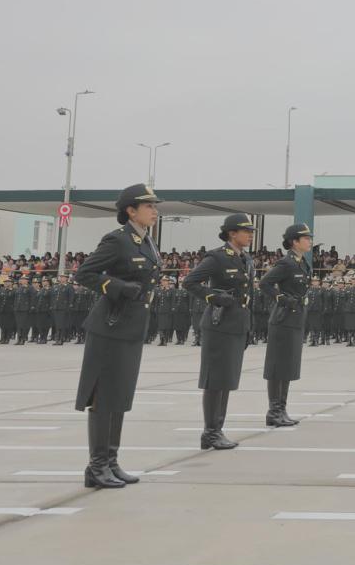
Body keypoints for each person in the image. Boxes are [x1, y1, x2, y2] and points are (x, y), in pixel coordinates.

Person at [73, 183, 162, 488]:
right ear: (131, 210)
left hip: (131, 327)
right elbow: (84, 274)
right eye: (148, 205)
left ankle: (111, 461)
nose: (155, 210)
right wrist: (117, 286)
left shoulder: (147, 242)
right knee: (105, 397)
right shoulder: (117, 240)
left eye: (155, 205)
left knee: (120, 396)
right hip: (110, 328)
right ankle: (97, 467)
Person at [182, 213, 257, 451]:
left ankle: (217, 429)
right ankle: (210, 431)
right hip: (219, 324)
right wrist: (212, 296)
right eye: (246, 231)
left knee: (226, 379)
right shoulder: (217, 257)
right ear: (232, 233)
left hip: (237, 324)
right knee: (215, 380)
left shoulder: (246, 259)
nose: (250, 235)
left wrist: (248, 325)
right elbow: (190, 282)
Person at [259, 223, 314, 428]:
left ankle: (281, 410)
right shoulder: (286, 263)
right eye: (306, 238)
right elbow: (264, 283)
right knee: (278, 366)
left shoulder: (302, 263)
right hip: (283, 319)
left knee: (288, 366)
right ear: (294, 242)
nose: (309, 241)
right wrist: (282, 298)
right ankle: (274, 411)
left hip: (296, 319)